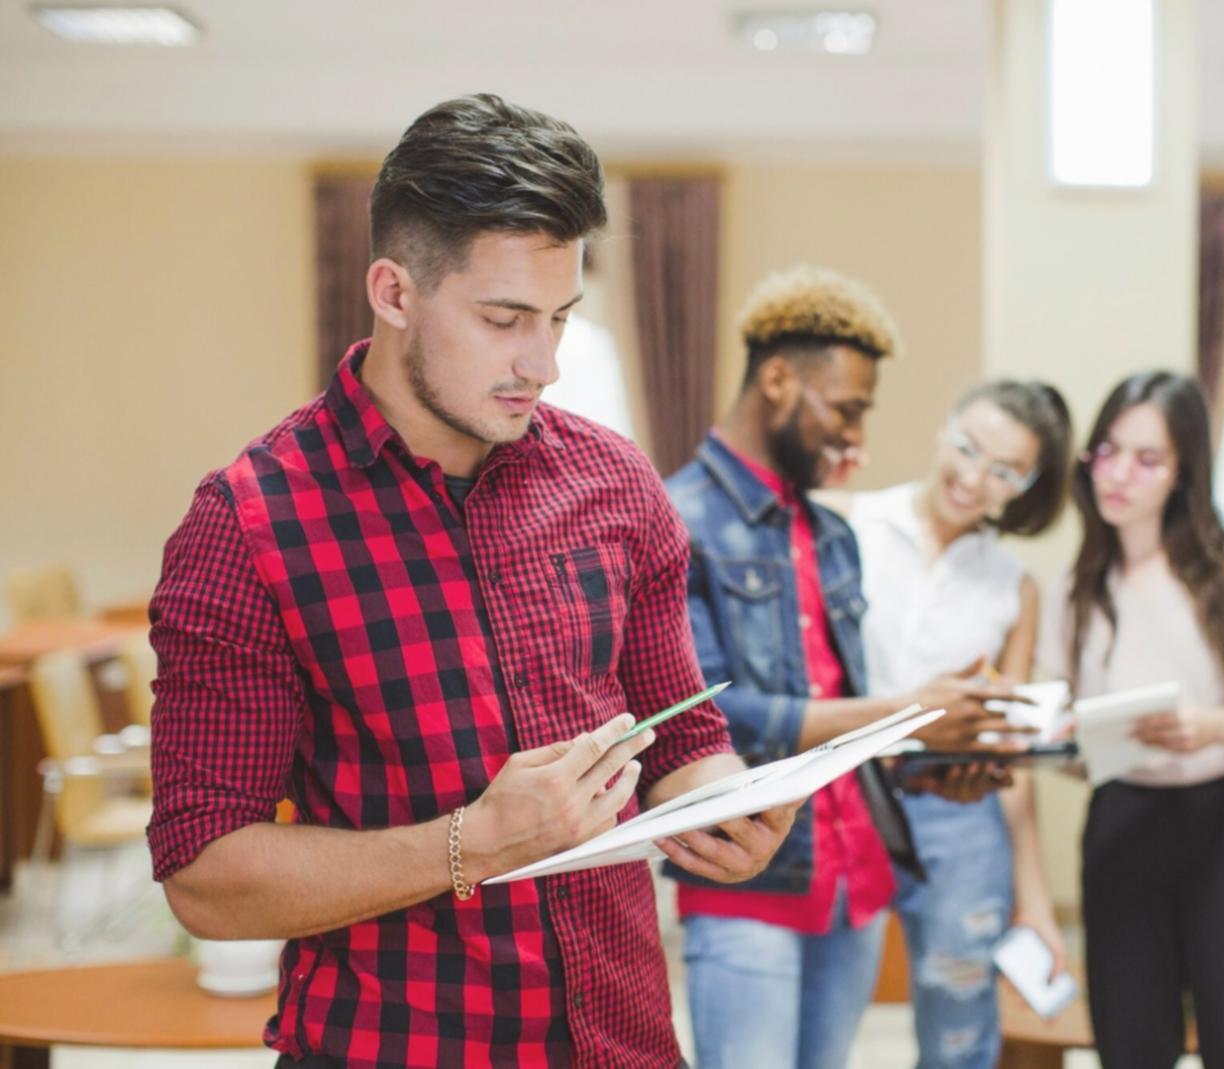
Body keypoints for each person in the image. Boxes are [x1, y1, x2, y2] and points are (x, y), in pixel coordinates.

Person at [146, 93, 795, 1069]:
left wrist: (723, 798)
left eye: (560, 319)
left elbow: (683, 733)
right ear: (394, 292)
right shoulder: (249, 524)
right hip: (390, 1047)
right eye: (503, 319)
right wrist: (471, 843)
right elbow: (204, 874)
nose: (542, 364)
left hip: (622, 1040)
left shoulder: (616, 482)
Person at [664, 265, 1021, 1069]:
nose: (856, 438)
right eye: (846, 409)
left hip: (854, 877)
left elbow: (837, 707)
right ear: (779, 379)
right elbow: (710, 719)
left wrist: (935, 761)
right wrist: (910, 712)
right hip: (747, 879)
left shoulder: (829, 534)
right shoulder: (674, 517)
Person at [1041, 370, 1224, 1068]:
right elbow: (1063, 737)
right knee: (1129, 1040)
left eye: (1148, 459)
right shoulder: (1078, 588)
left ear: (1184, 472)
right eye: (1108, 451)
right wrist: (1062, 742)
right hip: (1125, 817)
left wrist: (1212, 726)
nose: (1120, 474)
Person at [843, 379, 1073, 1069]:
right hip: (847, 796)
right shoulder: (853, 527)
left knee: (959, 1029)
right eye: (969, 448)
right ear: (944, 428)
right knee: (829, 1005)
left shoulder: (1012, 584)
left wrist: (1034, 898)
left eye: (1004, 471)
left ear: (1026, 485)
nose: (974, 479)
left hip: (960, 810)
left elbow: (1012, 751)